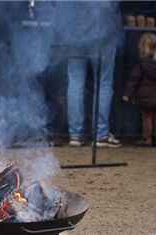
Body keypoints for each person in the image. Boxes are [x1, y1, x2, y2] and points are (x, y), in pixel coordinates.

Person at [52, 1, 124, 147]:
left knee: (75, 82)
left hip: (74, 34)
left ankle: (75, 135)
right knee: (103, 83)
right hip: (102, 34)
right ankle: (100, 134)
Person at [122, 33, 156, 147]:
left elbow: (133, 79)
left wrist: (127, 93)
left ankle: (147, 137)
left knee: (147, 116)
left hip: (145, 95)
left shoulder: (141, 64)